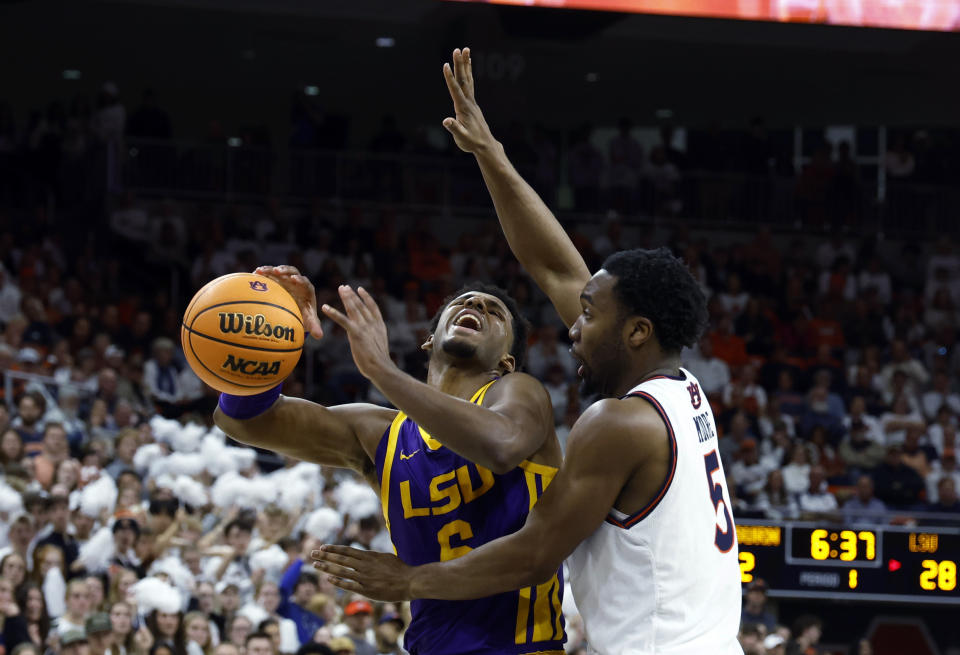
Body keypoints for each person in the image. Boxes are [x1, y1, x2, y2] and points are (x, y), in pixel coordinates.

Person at [312, 47, 742, 655]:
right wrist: (490, 154)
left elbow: (537, 554)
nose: (572, 328)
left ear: (637, 332)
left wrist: (411, 580)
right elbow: (556, 270)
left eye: (589, 317)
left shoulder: (618, 422)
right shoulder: (678, 391)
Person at [214, 264, 565, 655]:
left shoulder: (521, 394)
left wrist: (381, 371)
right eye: (464, 302)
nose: (477, 304)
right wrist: (274, 330)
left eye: (495, 312)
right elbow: (243, 421)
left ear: (506, 362)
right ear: (429, 340)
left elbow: (502, 447)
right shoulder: (381, 433)